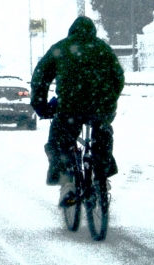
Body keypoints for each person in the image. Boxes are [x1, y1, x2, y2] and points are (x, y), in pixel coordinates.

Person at [30, 16, 125, 206]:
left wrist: (41, 105)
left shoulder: (61, 47)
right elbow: (118, 78)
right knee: (102, 135)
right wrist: (109, 102)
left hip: (70, 108)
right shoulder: (103, 49)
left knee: (59, 141)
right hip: (100, 107)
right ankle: (101, 175)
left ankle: (67, 184)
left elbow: (40, 77)